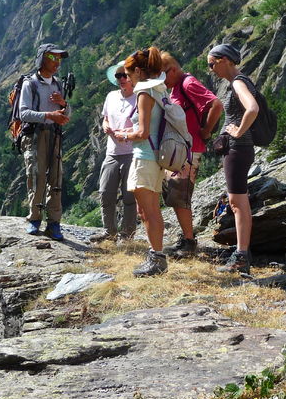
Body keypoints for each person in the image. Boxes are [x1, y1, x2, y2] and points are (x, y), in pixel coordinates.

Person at [160, 51, 224, 258]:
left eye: (163, 76)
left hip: (190, 149)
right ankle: (186, 239)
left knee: (180, 195)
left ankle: (189, 242)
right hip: (181, 149)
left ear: (173, 70)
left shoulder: (188, 83)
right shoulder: (177, 86)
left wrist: (205, 131)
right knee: (175, 194)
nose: (162, 81)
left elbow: (216, 105)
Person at [112, 47, 169, 277]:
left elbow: (144, 132)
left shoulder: (145, 93)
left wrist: (124, 135)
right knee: (151, 210)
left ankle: (156, 260)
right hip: (156, 157)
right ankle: (156, 255)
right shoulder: (159, 87)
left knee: (148, 212)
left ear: (138, 71)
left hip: (145, 156)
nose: (127, 79)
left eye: (129, 74)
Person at [207, 43, 258, 274]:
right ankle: (242, 253)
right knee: (237, 201)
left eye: (212, 64)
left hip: (238, 148)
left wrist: (237, 131)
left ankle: (241, 256)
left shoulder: (238, 82)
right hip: (239, 149)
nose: (211, 69)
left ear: (224, 59)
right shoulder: (239, 81)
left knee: (238, 203)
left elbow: (252, 108)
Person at [19, 42, 71, 239]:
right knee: (37, 176)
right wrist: (50, 115)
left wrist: (64, 105)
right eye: (53, 58)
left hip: (55, 134)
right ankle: (34, 219)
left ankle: (54, 223)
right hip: (36, 135)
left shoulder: (58, 84)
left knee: (56, 177)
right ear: (42, 59)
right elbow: (23, 113)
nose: (57, 62)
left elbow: (67, 113)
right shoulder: (30, 84)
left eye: (59, 58)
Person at [90, 61, 138, 244]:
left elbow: (143, 126)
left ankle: (127, 235)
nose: (121, 79)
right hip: (112, 152)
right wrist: (107, 127)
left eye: (125, 75)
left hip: (132, 153)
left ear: (133, 77)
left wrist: (123, 134)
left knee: (129, 196)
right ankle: (109, 232)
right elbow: (105, 118)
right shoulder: (111, 96)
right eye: (118, 76)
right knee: (105, 193)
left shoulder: (139, 98)